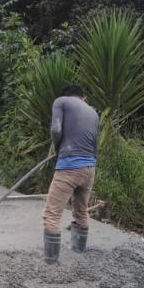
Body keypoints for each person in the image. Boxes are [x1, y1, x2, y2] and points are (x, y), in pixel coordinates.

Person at [42, 84, 100, 264]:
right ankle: (78, 252)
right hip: (90, 168)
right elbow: (95, 144)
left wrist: (58, 148)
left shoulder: (61, 102)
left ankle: (50, 261)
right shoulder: (94, 112)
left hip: (69, 167)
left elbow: (56, 129)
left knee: (51, 215)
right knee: (81, 211)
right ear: (83, 97)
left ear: (67, 95)